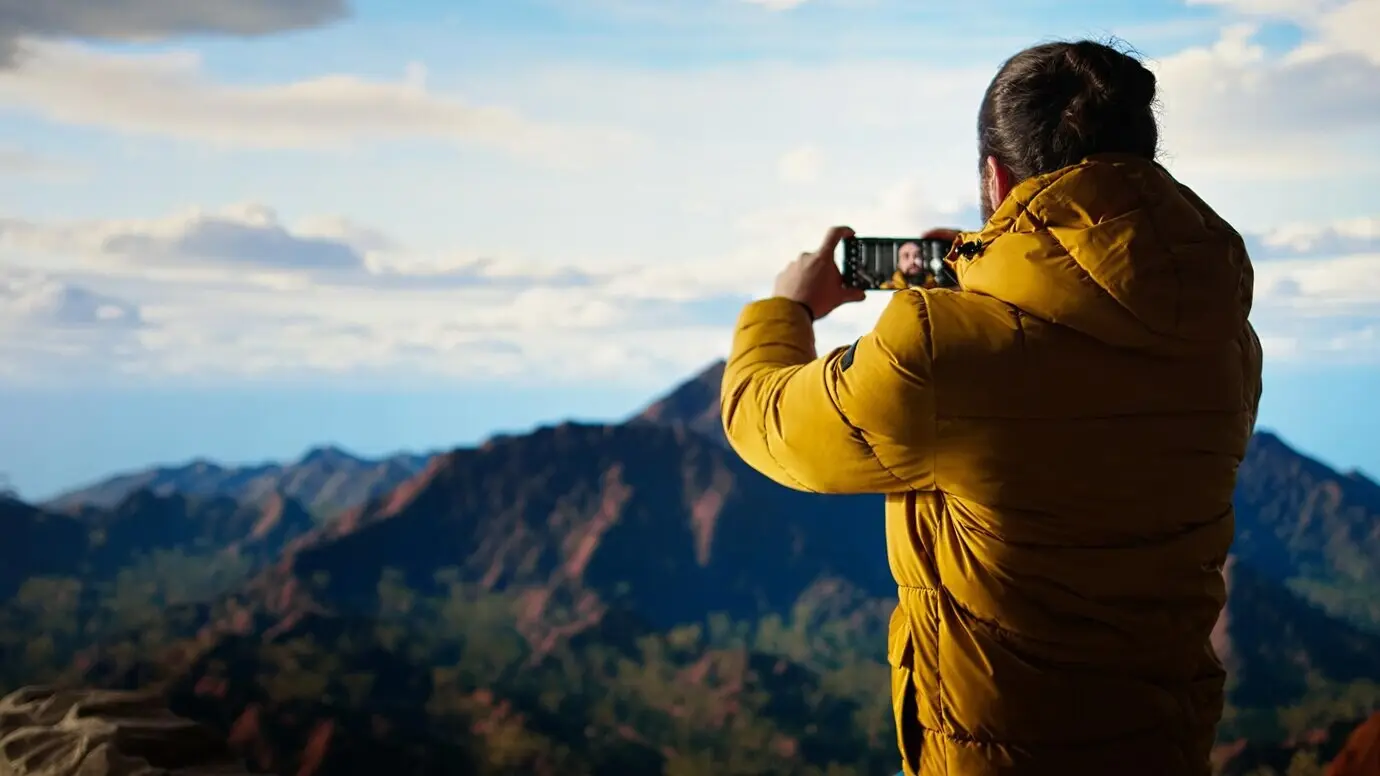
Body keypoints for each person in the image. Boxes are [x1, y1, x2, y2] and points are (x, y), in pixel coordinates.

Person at [720, 39, 1261, 776]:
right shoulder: (1223, 339)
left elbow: (769, 423)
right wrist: (985, 281)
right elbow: (1075, 390)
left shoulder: (943, 350)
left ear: (995, 177)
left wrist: (787, 308)